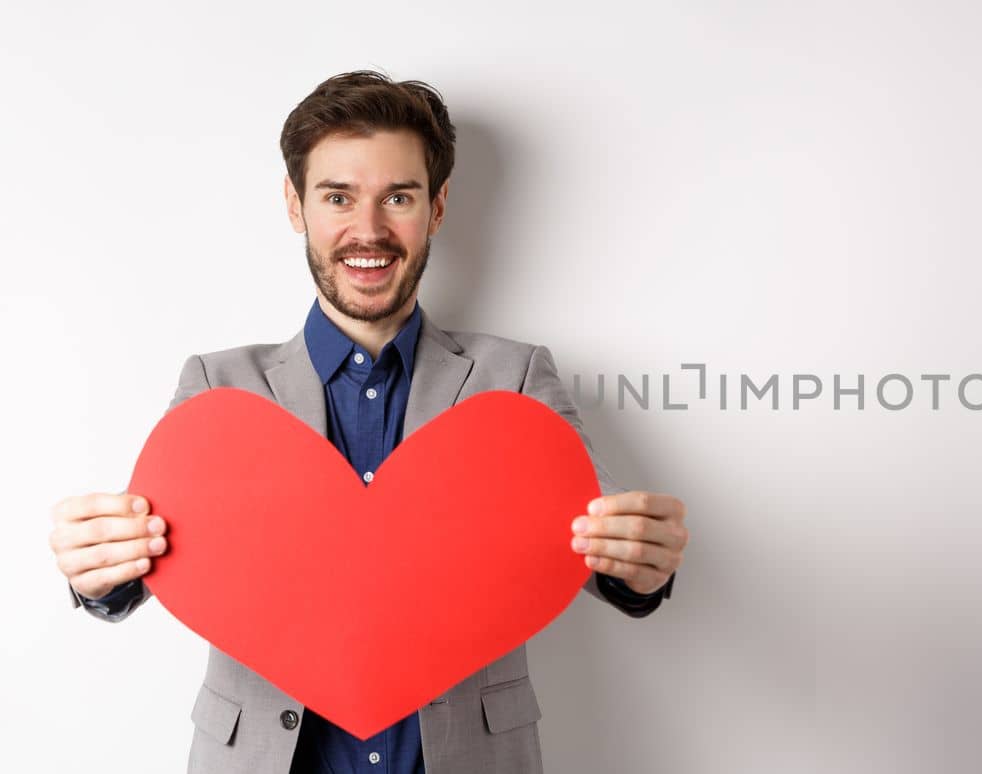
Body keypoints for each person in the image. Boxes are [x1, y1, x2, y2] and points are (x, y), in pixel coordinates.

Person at [44, 70, 689, 774]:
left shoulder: (517, 378)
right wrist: (99, 575)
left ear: (438, 207)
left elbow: (595, 558)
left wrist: (640, 566)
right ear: (295, 205)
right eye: (338, 196)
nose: (369, 229)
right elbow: (155, 562)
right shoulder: (218, 389)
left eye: (399, 197)